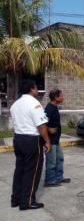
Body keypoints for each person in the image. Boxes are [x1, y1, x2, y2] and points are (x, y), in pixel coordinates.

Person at [10, 79, 51, 210]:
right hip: (31, 140)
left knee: (20, 169)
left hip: (18, 138)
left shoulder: (15, 104)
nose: (37, 90)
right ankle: (27, 201)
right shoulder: (34, 104)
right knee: (32, 172)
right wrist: (47, 141)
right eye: (36, 87)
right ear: (31, 89)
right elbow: (41, 126)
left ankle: (15, 199)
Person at [44, 89, 71, 187]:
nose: (63, 97)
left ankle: (59, 178)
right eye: (61, 95)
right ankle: (50, 180)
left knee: (60, 158)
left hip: (56, 139)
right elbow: (42, 122)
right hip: (50, 140)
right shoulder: (49, 108)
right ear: (56, 97)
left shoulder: (54, 107)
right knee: (51, 161)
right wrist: (48, 129)